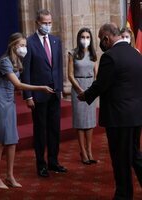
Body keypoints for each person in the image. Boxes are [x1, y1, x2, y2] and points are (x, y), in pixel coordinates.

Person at [78, 23, 142, 200]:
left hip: (119, 118)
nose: (100, 43)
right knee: (135, 155)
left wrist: (86, 95)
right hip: (136, 115)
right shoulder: (136, 55)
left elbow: (101, 84)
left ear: (106, 38)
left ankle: (123, 195)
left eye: (100, 39)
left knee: (121, 159)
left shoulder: (110, 57)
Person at [0, 32, 54, 189]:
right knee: (0, 140)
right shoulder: (4, 61)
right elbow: (18, 85)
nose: (24, 48)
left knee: (11, 140)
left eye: (25, 45)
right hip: (0, 100)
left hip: (9, 101)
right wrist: (41, 88)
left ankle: (10, 176)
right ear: (13, 45)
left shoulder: (16, 60)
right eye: (22, 45)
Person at [21, 9, 67, 177]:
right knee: (41, 130)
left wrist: (60, 90)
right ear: (37, 23)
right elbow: (25, 71)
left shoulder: (56, 41)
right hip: (38, 94)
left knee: (55, 129)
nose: (48, 26)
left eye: (50, 23)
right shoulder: (29, 42)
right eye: (45, 23)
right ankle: (41, 164)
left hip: (54, 92)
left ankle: (53, 161)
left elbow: (58, 67)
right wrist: (28, 96)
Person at [68, 27, 98, 165]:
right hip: (78, 87)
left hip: (90, 87)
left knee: (90, 122)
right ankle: (83, 152)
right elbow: (70, 74)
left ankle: (90, 150)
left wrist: (94, 89)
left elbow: (96, 73)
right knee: (80, 122)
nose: (85, 40)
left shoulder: (93, 53)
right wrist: (80, 90)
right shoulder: (72, 53)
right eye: (82, 37)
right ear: (78, 38)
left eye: (87, 37)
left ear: (90, 39)